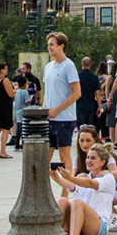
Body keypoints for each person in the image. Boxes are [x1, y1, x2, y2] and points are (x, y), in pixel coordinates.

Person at [52, 144, 117, 235]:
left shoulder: (108, 178)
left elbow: (90, 184)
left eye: (93, 158)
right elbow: (71, 186)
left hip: (98, 225)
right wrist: (57, 178)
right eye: (88, 157)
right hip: (79, 222)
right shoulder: (84, 177)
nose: (88, 160)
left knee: (77, 203)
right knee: (63, 200)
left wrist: (72, 178)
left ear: (102, 162)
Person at [44, 32, 82, 172]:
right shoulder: (48, 67)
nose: (49, 47)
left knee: (63, 155)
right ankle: (43, 189)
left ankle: (66, 191)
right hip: (49, 118)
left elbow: (77, 93)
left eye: (52, 45)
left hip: (64, 118)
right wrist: (44, 111)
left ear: (61, 46)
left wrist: (57, 109)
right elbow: (47, 93)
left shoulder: (68, 66)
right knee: (44, 156)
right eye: (48, 45)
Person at [76, 58, 101, 147]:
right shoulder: (94, 77)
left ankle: (81, 143)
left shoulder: (77, 77)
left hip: (79, 105)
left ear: (82, 65)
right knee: (91, 128)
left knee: (81, 128)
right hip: (91, 106)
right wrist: (100, 107)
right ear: (90, 65)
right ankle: (90, 143)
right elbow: (98, 93)